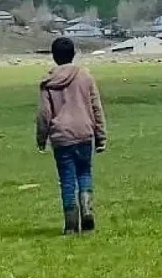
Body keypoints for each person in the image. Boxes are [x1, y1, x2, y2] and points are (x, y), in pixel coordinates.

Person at [36, 37, 108, 234]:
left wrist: (41, 139)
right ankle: (87, 208)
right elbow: (96, 108)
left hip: (62, 137)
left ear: (54, 56)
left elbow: (44, 114)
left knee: (67, 179)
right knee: (84, 173)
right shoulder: (85, 76)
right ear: (74, 54)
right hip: (84, 133)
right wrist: (101, 136)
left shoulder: (48, 82)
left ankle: (70, 226)